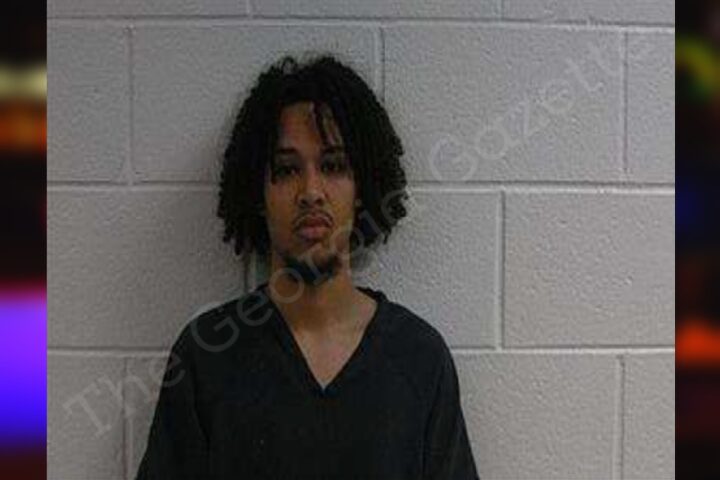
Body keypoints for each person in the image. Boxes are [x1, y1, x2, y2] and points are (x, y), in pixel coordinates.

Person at [136, 54, 480, 480]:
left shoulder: (419, 359)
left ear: (362, 187)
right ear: (257, 194)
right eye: (286, 169)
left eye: (333, 166)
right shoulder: (207, 358)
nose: (311, 191)